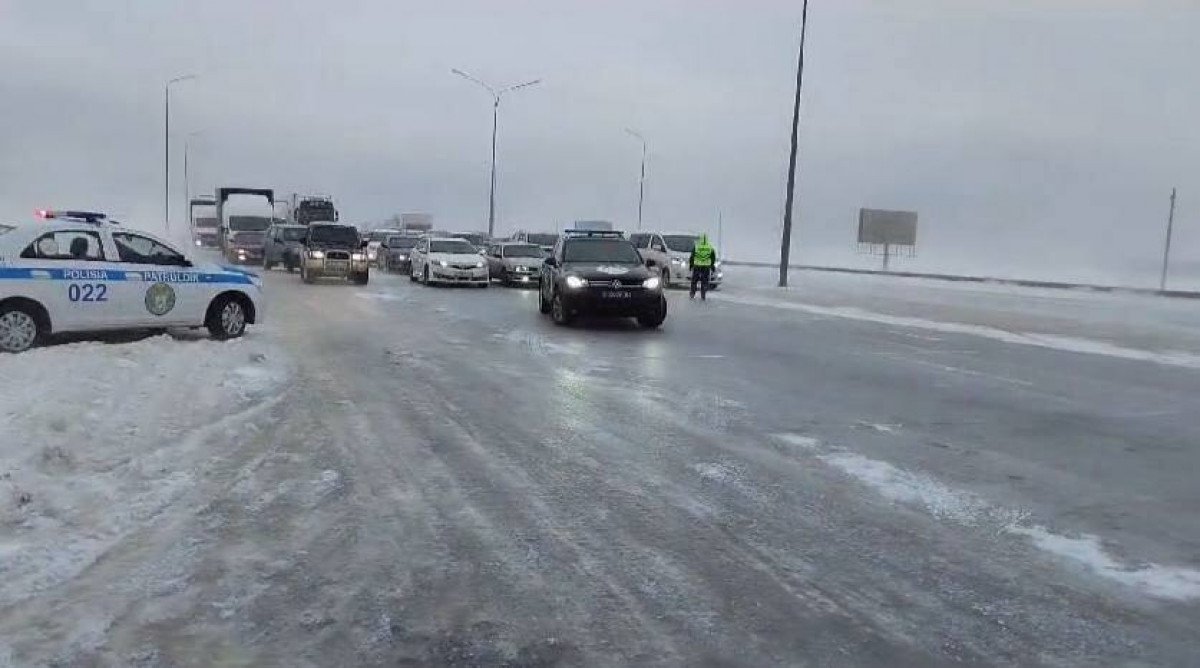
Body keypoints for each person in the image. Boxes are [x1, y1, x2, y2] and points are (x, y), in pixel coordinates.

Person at [689, 233, 717, 300]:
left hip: (697, 266)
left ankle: (692, 293)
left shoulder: (697, 246)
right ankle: (703, 293)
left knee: (694, 281)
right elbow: (713, 257)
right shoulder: (710, 247)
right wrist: (712, 265)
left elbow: (692, 256)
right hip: (706, 267)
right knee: (705, 281)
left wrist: (691, 265)